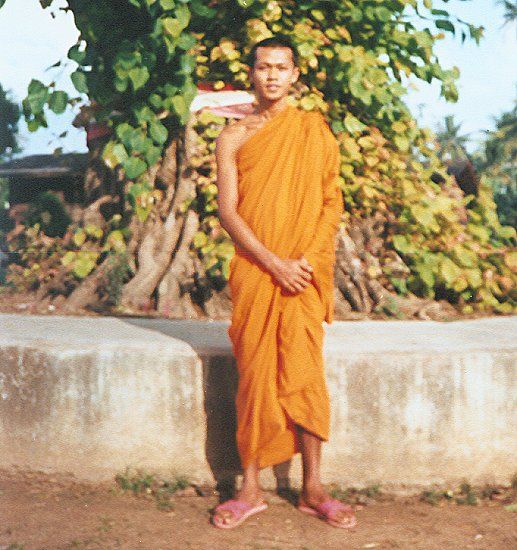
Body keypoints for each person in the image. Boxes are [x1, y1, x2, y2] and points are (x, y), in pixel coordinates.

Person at [212, 35, 357, 530]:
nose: (272, 75)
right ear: (251, 74)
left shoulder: (314, 130)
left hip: (303, 272)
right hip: (258, 270)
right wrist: (274, 263)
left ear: (295, 75)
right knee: (254, 377)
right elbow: (228, 213)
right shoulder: (231, 137)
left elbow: (329, 202)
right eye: (263, 67)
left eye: (281, 67)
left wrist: (306, 262)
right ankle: (250, 488)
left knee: (304, 374)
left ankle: (313, 487)